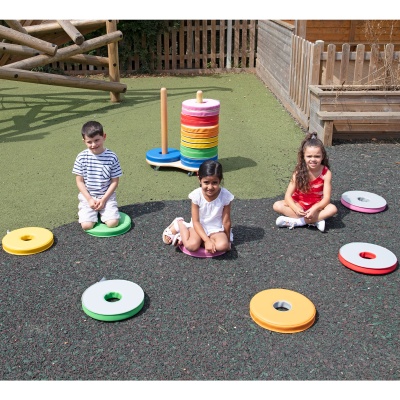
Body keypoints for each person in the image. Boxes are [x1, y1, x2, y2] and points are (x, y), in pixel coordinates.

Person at [162, 160, 234, 253]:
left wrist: (228, 241)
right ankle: (180, 224)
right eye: (206, 182)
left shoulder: (225, 196)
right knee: (191, 246)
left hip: (216, 228)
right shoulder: (196, 195)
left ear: (220, 180)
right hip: (198, 226)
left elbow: (226, 221)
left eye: (215, 183)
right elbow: (196, 222)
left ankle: (191, 239)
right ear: (199, 178)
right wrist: (207, 240)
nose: (210, 187)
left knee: (222, 246)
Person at [272, 132, 337, 232]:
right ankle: (315, 220)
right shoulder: (298, 172)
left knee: (332, 209)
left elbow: (327, 198)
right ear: (303, 156)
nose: (313, 159)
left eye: (317, 156)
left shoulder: (326, 173)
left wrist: (315, 208)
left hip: (316, 206)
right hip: (299, 204)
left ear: (322, 156)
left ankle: (299, 222)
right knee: (277, 205)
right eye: (309, 156)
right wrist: (295, 208)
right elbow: (288, 196)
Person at [72, 121, 123, 230]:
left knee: (113, 223)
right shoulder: (81, 157)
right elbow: (79, 181)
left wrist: (104, 200)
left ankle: (103, 212)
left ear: (104, 137)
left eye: (96, 140)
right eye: (89, 142)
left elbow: (115, 181)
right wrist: (89, 199)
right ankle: (94, 213)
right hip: (88, 197)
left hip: (107, 197)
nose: (94, 145)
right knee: (87, 226)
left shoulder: (112, 157)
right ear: (84, 141)